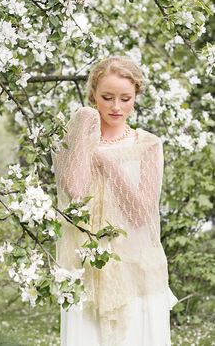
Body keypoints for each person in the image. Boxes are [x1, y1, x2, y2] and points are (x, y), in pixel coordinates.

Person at [51, 55, 179, 346]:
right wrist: (85, 129)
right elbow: (76, 191)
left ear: (136, 96)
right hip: (86, 270)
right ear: (93, 94)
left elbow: (141, 213)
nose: (116, 107)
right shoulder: (77, 140)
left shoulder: (148, 145)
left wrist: (109, 164)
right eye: (107, 97)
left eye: (125, 98)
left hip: (137, 272)